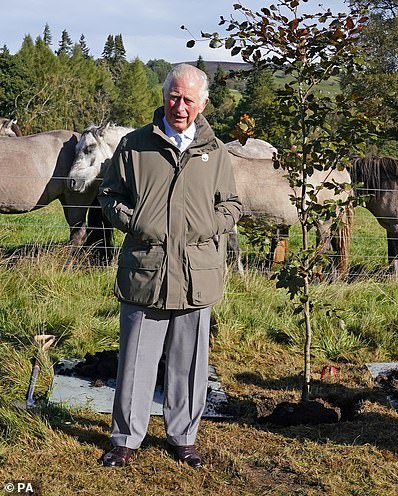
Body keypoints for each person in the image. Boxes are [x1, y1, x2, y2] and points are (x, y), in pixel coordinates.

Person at [98, 64, 242, 468]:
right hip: (146, 268)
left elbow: (232, 205)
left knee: (190, 362)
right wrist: (138, 222)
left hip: (198, 272)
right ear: (164, 97)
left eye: (188, 100)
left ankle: (183, 438)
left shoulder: (216, 152)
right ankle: (125, 439)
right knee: (134, 361)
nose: (180, 106)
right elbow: (110, 196)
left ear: (203, 103)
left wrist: (205, 225)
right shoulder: (134, 145)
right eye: (174, 97)